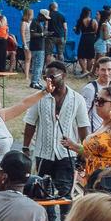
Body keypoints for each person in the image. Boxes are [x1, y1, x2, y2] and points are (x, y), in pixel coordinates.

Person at [21, 61, 86, 210]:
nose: (48, 81)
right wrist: (25, 147)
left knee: (65, 195)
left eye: (52, 77)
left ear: (63, 75)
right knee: (43, 194)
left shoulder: (77, 99)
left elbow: (83, 127)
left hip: (67, 154)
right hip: (44, 153)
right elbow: (30, 123)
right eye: (45, 77)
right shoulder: (39, 97)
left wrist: (84, 150)